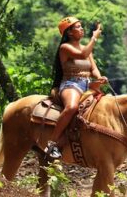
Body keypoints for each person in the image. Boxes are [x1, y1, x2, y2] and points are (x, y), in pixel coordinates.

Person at [45, 16, 108, 159]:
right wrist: (94, 38)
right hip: (71, 84)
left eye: (81, 26)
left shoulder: (87, 49)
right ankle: (51, 143)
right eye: (78, 27)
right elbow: (82, 54)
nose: (81, 29)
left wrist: (99, 78)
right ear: (69, 33)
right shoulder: (65, 48)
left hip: (87, 84)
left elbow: (93, 69)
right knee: (72, 107)